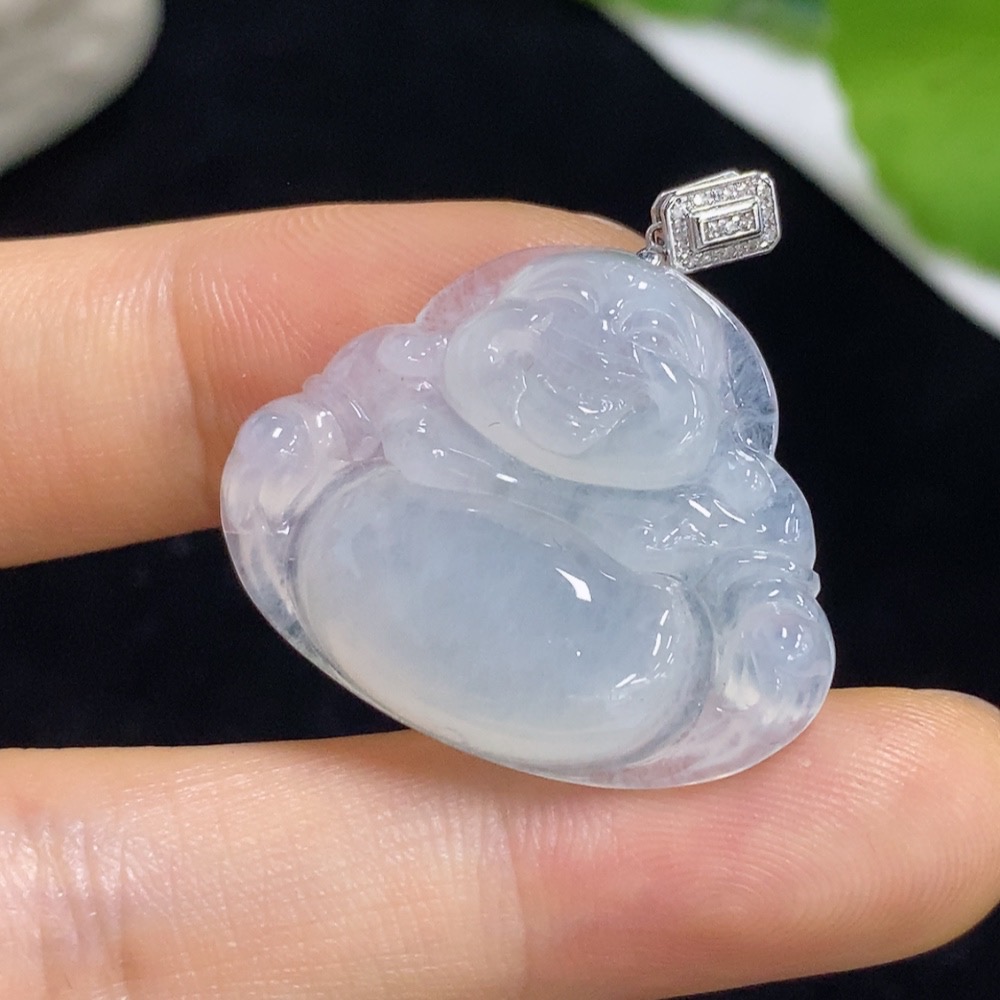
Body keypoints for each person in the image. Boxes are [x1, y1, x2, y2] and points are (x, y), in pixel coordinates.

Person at [0, 201, 997, 999]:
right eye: (554, 330)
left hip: (609, 645)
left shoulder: (724, 496)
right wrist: (301, 447)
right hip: (387, 557)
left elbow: (762, 584)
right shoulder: (409, 380)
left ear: (706, 414)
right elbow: (331, 421)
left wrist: (764, 635)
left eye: (644, 361)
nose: (588, 374)